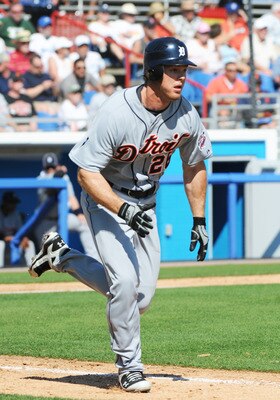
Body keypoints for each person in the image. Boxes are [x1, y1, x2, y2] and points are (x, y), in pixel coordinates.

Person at [28, 37, 212, 393]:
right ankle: (129, 366)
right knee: (124, 284)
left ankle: (62, 257)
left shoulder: (186, 113)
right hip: (106, 200)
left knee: (139, 301)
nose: (181, 77)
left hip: (147, 205)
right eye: (174, 70)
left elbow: (195, 165)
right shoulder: (116, 111)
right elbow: (85, 173)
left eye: (184, 71)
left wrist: (199, 219)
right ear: (154, 71)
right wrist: (123, 209)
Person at [33, 153, 96, 258]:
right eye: (48, 168)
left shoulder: (64, 177)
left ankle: (93, 258)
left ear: (56, 165)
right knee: (49, 258)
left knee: (85, 224)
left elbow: (71, 198)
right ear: (44, 168)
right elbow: (50, 191)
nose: (50, 170)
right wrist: (58, 173)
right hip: (46, 222)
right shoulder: (40, 178)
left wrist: (79, 214)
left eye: (52, 167)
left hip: (63, 218)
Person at [0, 191, 36, 268]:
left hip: (14, 239)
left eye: (14, 203)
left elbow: (21, 231)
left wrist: (23, 238)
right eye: (11, 203)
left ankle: (32, 268)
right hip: (2, 240)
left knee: (29, 244)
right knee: (0, 244)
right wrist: (4, 238)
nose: (14, 205)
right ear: (5, 202)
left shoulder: (16, 214)